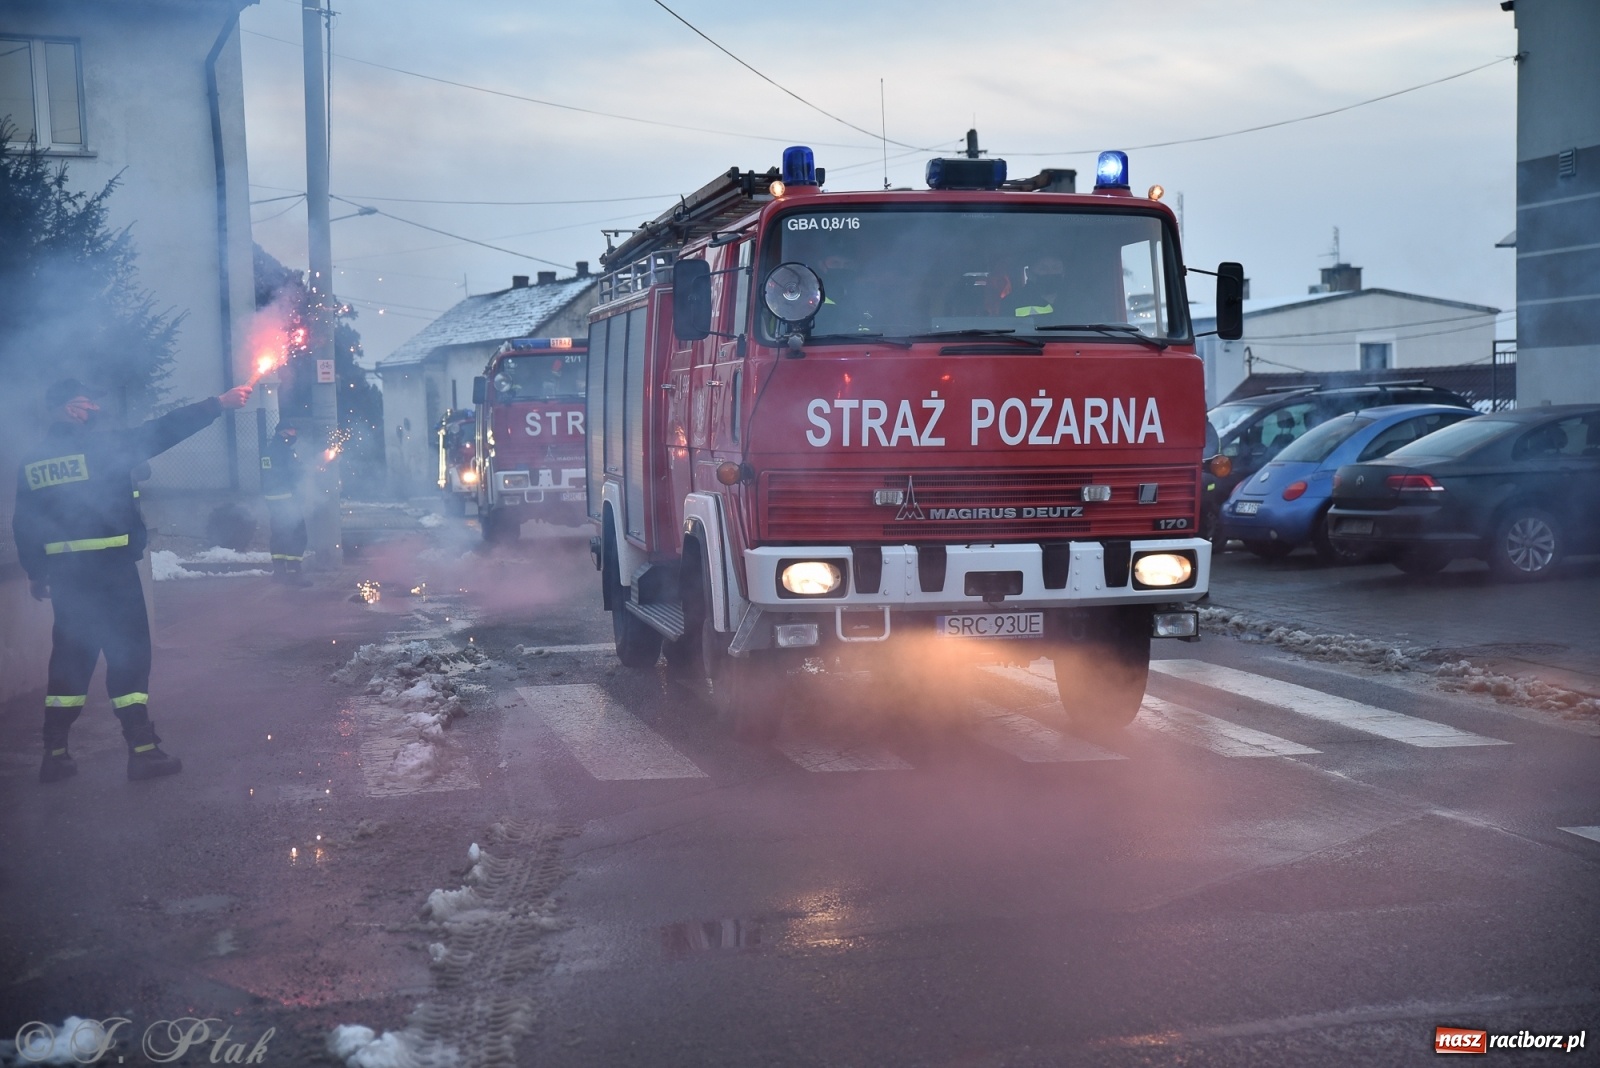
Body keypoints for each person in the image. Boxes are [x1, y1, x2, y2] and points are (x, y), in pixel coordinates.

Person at [13, 377, 253, 783]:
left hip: (69, 579)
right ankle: (142, 751)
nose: (97, 412)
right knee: (128, 656)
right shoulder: (102, 450)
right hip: (111, 573)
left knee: (70, 661)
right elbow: (162, 430)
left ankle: (54, 754)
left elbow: (25, 523)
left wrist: (38, 572)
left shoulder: (34, 462)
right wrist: (219, 404)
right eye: (90, 405)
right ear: (72, 408)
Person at [260, 418, 310, 586]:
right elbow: (293, 473)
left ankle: (279, 572)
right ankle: (295, 573)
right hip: (287, 498)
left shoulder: (268, 451)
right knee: (298, 534)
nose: (294, 434)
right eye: (291, 431)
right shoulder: (285, 452)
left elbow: (269, 475)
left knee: (279, 534)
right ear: (282, 433)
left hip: (273, 500)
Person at [1007, 254, 1066, 319]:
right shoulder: (1011, 302)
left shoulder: (1076, 299)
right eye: (1043, 269)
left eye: (1056, 268)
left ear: (1063, 272)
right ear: (1029, 273)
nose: (1050, 272)